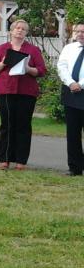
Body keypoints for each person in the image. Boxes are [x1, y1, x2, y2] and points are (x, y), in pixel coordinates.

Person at [0, 19, 46, 170]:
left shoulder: (33, 50)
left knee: (23, 126)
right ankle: (5, 159)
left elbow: (41, 70)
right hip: (6, 90)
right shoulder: (2, 48)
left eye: (23, 29)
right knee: (7, 125)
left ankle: (21, 161)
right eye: (17, 28)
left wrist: (28, 69)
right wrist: (3, 62)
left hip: (26, 92)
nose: (20, 30)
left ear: (26, 33)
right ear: (11, 31)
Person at [57, 22, 84, 176]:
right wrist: (71, 83)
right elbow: (62, 66)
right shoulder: (69, 48)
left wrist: (80, 84)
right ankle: (75, 167)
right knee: (72, 133)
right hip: (71, 93)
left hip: (82, 89)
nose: (80, 34)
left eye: (83, 31)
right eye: (78, 31)